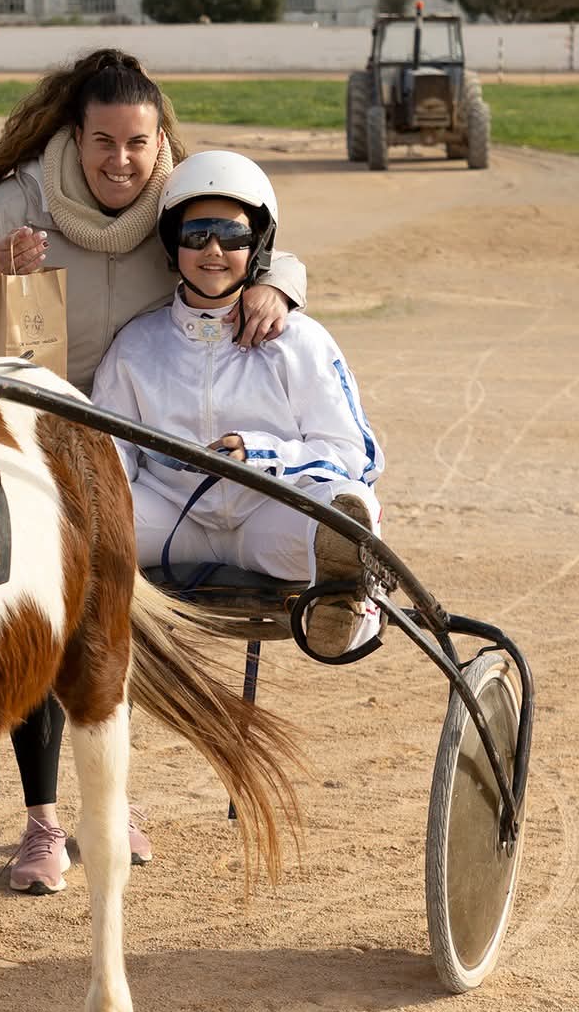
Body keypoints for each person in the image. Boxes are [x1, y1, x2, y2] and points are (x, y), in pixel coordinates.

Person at [0, 49, 310, 896]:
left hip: (128, 436)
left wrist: (282, 286)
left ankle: (110, 799)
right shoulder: (18, 202)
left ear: (159, 138)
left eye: (138, 141)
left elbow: (251, 245)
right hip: (27, 429)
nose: (121, 161)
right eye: (103, 142)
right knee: (37, 616)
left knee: (110, 623)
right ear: (75, 136)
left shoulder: (178, 199)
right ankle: (44, 821)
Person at [96, 150, 384, 664]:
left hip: (270, 518)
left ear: (258, 246)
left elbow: (355, 456)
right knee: (86, 516)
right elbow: (113, 456)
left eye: (232, 236)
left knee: (346, 514)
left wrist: (262, 453)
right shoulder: (135, 346)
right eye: (195, 234)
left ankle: (345, 611)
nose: (213, 250)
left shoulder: (301, 341)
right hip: (172, 522)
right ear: (172, 244)